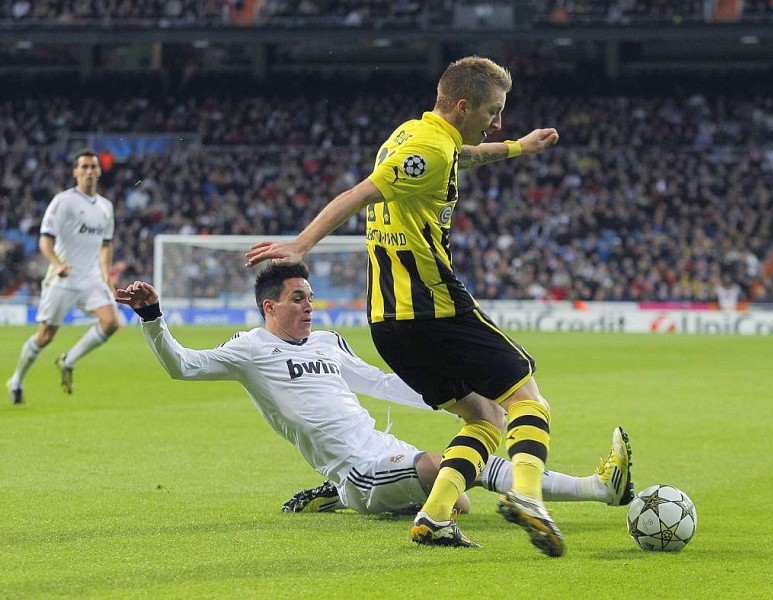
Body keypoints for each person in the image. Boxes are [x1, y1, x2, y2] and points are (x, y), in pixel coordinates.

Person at [244, 56, 571, 554]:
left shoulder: (412, 136)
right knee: (527, 401)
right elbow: (360, 192)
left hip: (389, 324)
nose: (498, 122)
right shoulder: (427, 148)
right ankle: (528, 497)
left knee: (484, 419)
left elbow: (461, 154)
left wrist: (514, 148)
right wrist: (302, 244)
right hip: (434, 307)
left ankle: (434, 517)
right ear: (463, 106)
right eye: (493, 110)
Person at [115, 262, 633, 525]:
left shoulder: (327, 342)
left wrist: (458, 397)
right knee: (450, 475)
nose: (309, 306)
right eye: (298, 299)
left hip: (388, 452)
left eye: (311, 298)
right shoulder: (250, 349)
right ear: (269, 306)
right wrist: (153, 319)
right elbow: (183, 367)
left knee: (466, 472)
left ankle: (598, 488)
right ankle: (345, 493)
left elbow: (382, 383)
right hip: (361, 472)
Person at [7, 150, 119, 405]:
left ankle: (68, 361)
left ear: (99, 171)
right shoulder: (63, 202)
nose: (89, 171)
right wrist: (57, 264)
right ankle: (16, 381)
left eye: (93, 167)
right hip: (64, 278)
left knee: (110, 322)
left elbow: (106, 244)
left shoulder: (105, 207)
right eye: (84, 167)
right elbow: (45, 240)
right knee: (45, 336)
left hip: (90, 277)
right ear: (75, 172)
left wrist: (106, 275)